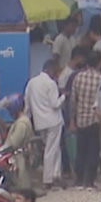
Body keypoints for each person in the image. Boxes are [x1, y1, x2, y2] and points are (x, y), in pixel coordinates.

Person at [26, 58, 67, 189]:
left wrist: (27, 119)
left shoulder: (31, 82)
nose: (56, 74)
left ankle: (56, 174)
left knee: (53, 149)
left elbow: (27, 103)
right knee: (51, 150)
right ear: (50, 69)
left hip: (39, 121)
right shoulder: (51, 83)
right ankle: (48, 179)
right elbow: (55, 104)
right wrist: (64, 96)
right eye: (55, 71)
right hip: (53, 120)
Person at [70, 50, 101, 186]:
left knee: (81, 149)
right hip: (96, 120)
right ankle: (89, 181)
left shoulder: (78, 77)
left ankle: (78, 179)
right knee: (93, 150)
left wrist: (72, 120)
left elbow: (73, 101)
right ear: (99, 63)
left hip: (81, 119)